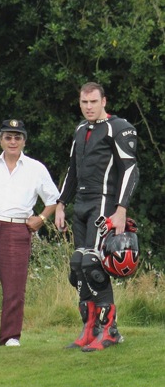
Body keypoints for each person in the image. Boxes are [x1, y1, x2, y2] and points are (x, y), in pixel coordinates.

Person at [55, 82, 139, 352]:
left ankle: (110, 331)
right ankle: (89, 329)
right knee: (77, 266)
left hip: (104, 204)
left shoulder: (119, 127)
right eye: (84, 102)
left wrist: (121, 209)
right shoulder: (80, 130)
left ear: (104, 101)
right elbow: (72, 170)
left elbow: (130, 170)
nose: (88, 107)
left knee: (93, 265)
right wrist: (60, 203)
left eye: (93, 101)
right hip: (80, 205)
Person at [0, 119, 60, 347]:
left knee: (14, 287)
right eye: (8, 137)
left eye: (17, 137)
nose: (12, 141)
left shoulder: (35, 168)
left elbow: (53, 199)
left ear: (24, 141)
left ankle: (10, 337)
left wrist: (42, 218)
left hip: (17, 228)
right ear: (0, 139)